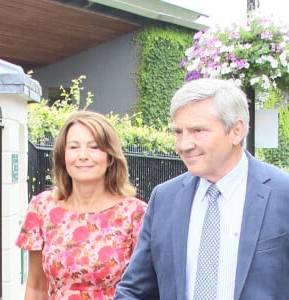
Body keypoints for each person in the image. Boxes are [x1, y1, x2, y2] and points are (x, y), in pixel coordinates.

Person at [114, 78, 289, 300]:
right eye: (178, 132)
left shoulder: (283, 194)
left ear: (236, 131)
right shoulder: (165, 199)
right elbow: (135, 291)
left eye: (198, 131)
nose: (184, 144)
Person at [16, 110, 147, 300]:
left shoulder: (134, 213)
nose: (83, 155)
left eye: (94, 147)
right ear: (63, 156)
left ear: (110, 156)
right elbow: (36, 286)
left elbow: (145, 288)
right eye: (74, 147)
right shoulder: (42, 208)